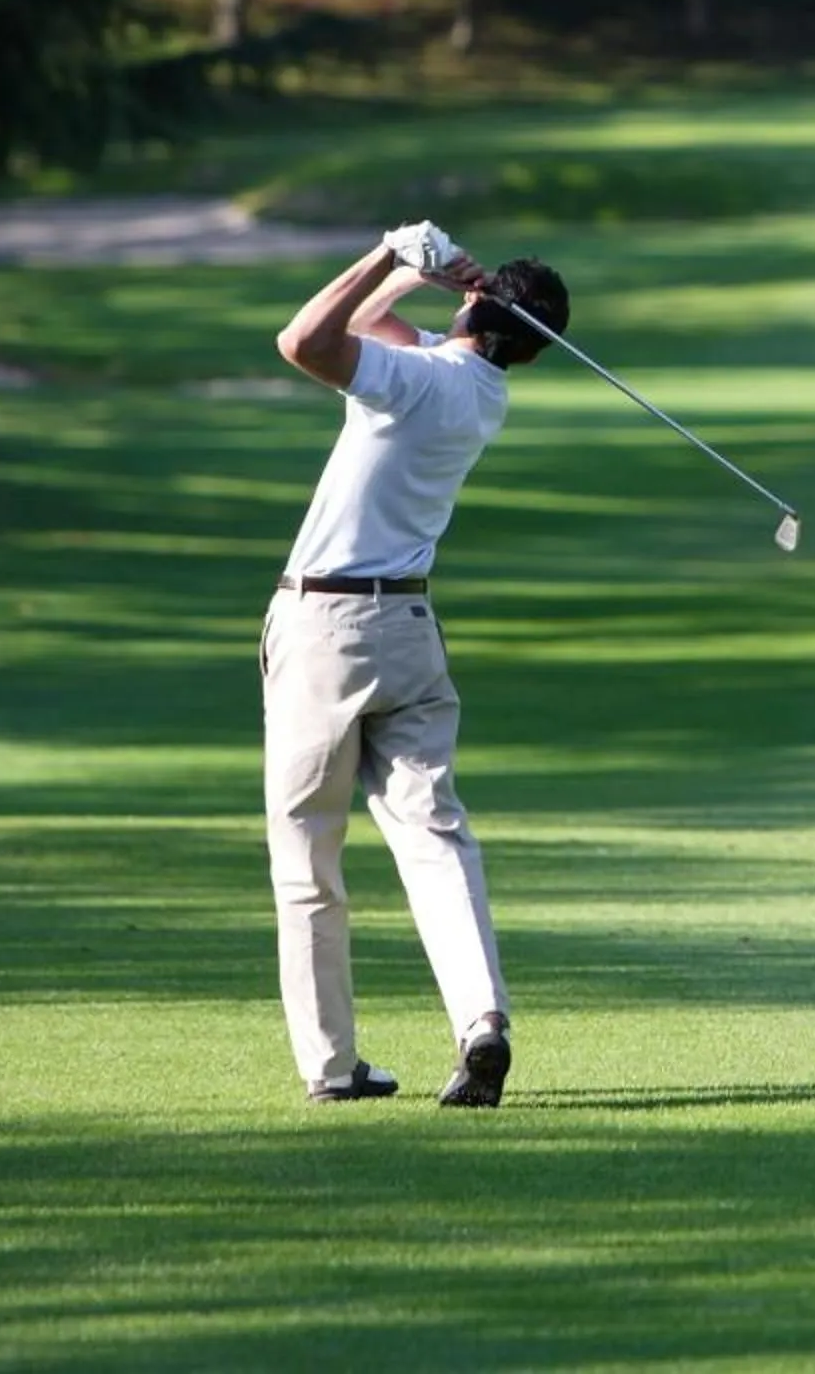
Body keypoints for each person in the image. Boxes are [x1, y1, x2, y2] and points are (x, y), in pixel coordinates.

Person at [262, 222, 568, 1107]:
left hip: (325, 629)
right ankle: (481, 1020)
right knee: (434, 837)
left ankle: (332, 1067)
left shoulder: (421, 380)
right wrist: (419, 281)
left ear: (477, 308)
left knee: (308, 855)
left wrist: (385, 258)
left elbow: (303, 341)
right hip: (408, 634)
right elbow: (377, 331)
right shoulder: (478, 391)